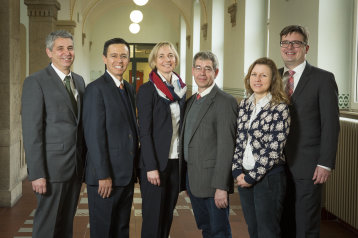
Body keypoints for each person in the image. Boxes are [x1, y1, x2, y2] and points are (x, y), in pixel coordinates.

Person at [21, 30, 86, 238]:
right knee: (47, 228)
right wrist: (37, 173)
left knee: (66, 225)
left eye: (70, 48)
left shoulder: (79, 81)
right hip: (51, 170)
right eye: (60, 48)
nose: (66, 53)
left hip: (75, 167)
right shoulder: (36, 81)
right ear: (49, 52)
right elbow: (32, 132)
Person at [279, 25, 340, 238]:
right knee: (282, 221)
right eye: (285, 43)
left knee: (305, 224)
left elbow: (331, 125)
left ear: (306, 47)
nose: (290, 47)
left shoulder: (323, 79)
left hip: (308, 165)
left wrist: (325, 163)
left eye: (296, 43)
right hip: (276, 165)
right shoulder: (274, 78)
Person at [82, 38, 139, 238]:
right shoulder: (95, 89)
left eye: (124, 56)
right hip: (105, 177)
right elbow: (94, 136)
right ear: (105, 59)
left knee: (121, 229)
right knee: (103, 231)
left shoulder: (129, 89)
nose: (119, 60)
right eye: (114, 55)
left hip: (125, 175)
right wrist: (103, 175)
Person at [180, 51, 237, 238]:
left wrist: (222, 186)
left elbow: (227, 147)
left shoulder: (225, 101)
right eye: (198, 68)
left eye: (208, 68)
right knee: (206, 228)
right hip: (194, 179)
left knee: (219, 231)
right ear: (193, 71)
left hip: (214, 183)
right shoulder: (190, 101)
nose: (202, 73)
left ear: (216, 72)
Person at [232, 57, 290, 238]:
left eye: (263, 75)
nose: (257, 79)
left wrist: (251, 177)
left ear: (273, 80)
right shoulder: (245, 104)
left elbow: (274, 150)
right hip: (244, 175)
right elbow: (240, 140)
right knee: (253, 229)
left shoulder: (280, 108)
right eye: (254, 74)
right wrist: (236, 171)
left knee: (268, 232)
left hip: (269, 178)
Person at [136, 41, 187, 238]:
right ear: (154, 61)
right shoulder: (148, 90)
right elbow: (145, 132)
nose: (167, 60)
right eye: (162, 56)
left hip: (175, 162)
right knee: (152, 218)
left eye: (171, 55)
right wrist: (151, 167)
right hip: (154, 164)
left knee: (167, 216)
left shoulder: (181, 89)